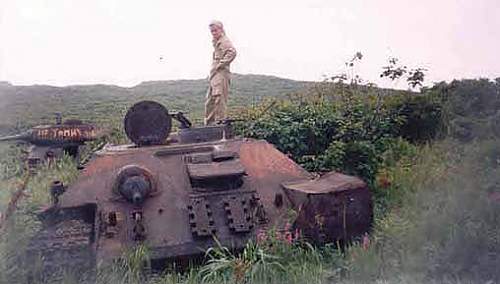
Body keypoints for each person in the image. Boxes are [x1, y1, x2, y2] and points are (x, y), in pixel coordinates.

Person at [204, 20, 237, 125]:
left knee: (219, 98)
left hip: (221, 73)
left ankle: (219, 122)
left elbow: (232, 52)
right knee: (210, 99)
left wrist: (220, 64)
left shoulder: (224, 41)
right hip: (214, 74)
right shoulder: (216, 42)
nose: (213, 33)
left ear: (221, 29)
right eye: (212, 31)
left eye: (215, 30)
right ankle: (209, 123)